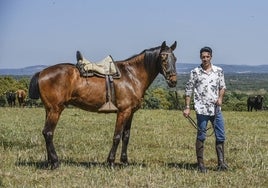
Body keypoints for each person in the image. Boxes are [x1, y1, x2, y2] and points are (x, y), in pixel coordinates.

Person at [183, 46, 228, 173]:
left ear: (211, 57)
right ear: (200, 57)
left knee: (220, 135)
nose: (205, 59)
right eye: (203, 57)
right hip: (201, 109)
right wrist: (187, 107)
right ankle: (201, 164)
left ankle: (221, 163)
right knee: (201, 135)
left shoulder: (219, 71)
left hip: (216, 109)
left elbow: (222, 87)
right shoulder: (195, 72)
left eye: (207, 56)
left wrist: (220, 98)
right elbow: (188, 90)